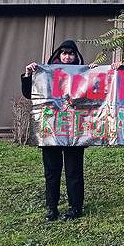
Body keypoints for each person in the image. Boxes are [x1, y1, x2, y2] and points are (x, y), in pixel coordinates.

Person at [22, 40, 90, 221]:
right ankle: (52, 208)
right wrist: (29, 74)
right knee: (51, 171)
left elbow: (95, 95)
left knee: (74, 170)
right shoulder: (45, 74)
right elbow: (30, 94)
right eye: (64, 53)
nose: (67, 57)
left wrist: (96, 74)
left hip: (74, 129)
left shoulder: (83, 74)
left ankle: (75, 207)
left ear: (76, 57)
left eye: (71, 54)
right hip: (50, 130)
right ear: (58, 55)